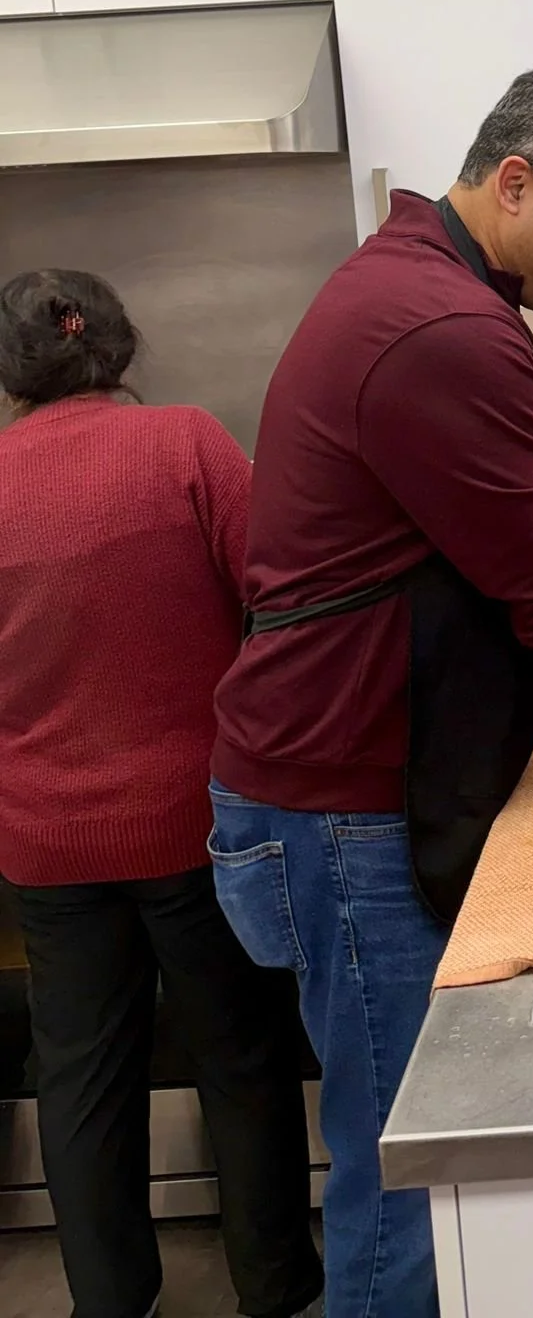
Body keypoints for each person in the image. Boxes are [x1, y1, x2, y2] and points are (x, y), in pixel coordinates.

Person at [210, 61, 533, 1318]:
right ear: (513, 181)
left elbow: (502, 546)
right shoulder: (442, 327)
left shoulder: (422, 291)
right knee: (412, 1171)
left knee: (421, 1150)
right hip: (343, 806)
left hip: (339, 789)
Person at [0, 270, 324, 1318]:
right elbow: (282, 593)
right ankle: (277, 1289)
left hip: (44, 840)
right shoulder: (187, 444)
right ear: (121, 345)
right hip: (200, 825)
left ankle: (110, 1301)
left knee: (80, 1074)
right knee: (242, 1055)